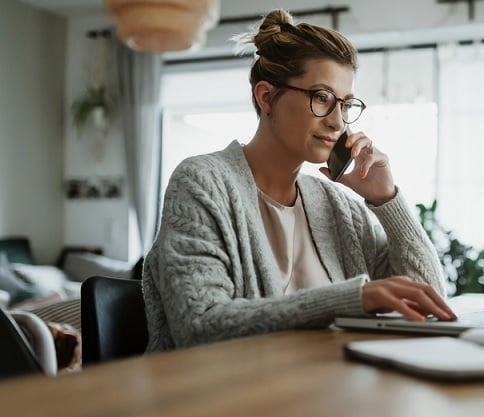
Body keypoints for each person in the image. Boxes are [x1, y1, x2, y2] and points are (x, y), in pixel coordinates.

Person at [142, 9, 456, 352]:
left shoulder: (338, 207)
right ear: (266, 97)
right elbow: (198, 325)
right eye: (322, 98)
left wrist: (387, 200)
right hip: (225, 396)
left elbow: (429, 301)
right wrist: (348, 299)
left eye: (346, 104)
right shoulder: (202, 183)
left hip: (325, 390)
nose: (338, 122)